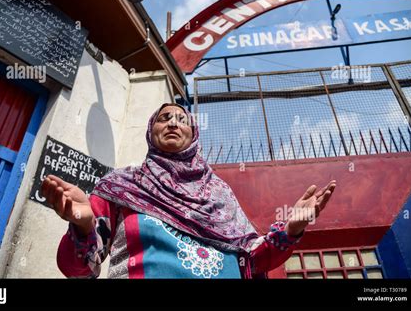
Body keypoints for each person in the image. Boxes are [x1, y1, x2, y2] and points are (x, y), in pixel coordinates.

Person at [42, 103, 336, 279]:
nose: (172, 122)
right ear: (151, 131)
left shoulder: (220, 193)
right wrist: (83, 227)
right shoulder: (122, 186)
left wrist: (292, 228)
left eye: (182, 120)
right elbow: (79, 269)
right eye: (164, 118)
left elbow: (252, 258)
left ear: (194, 135)